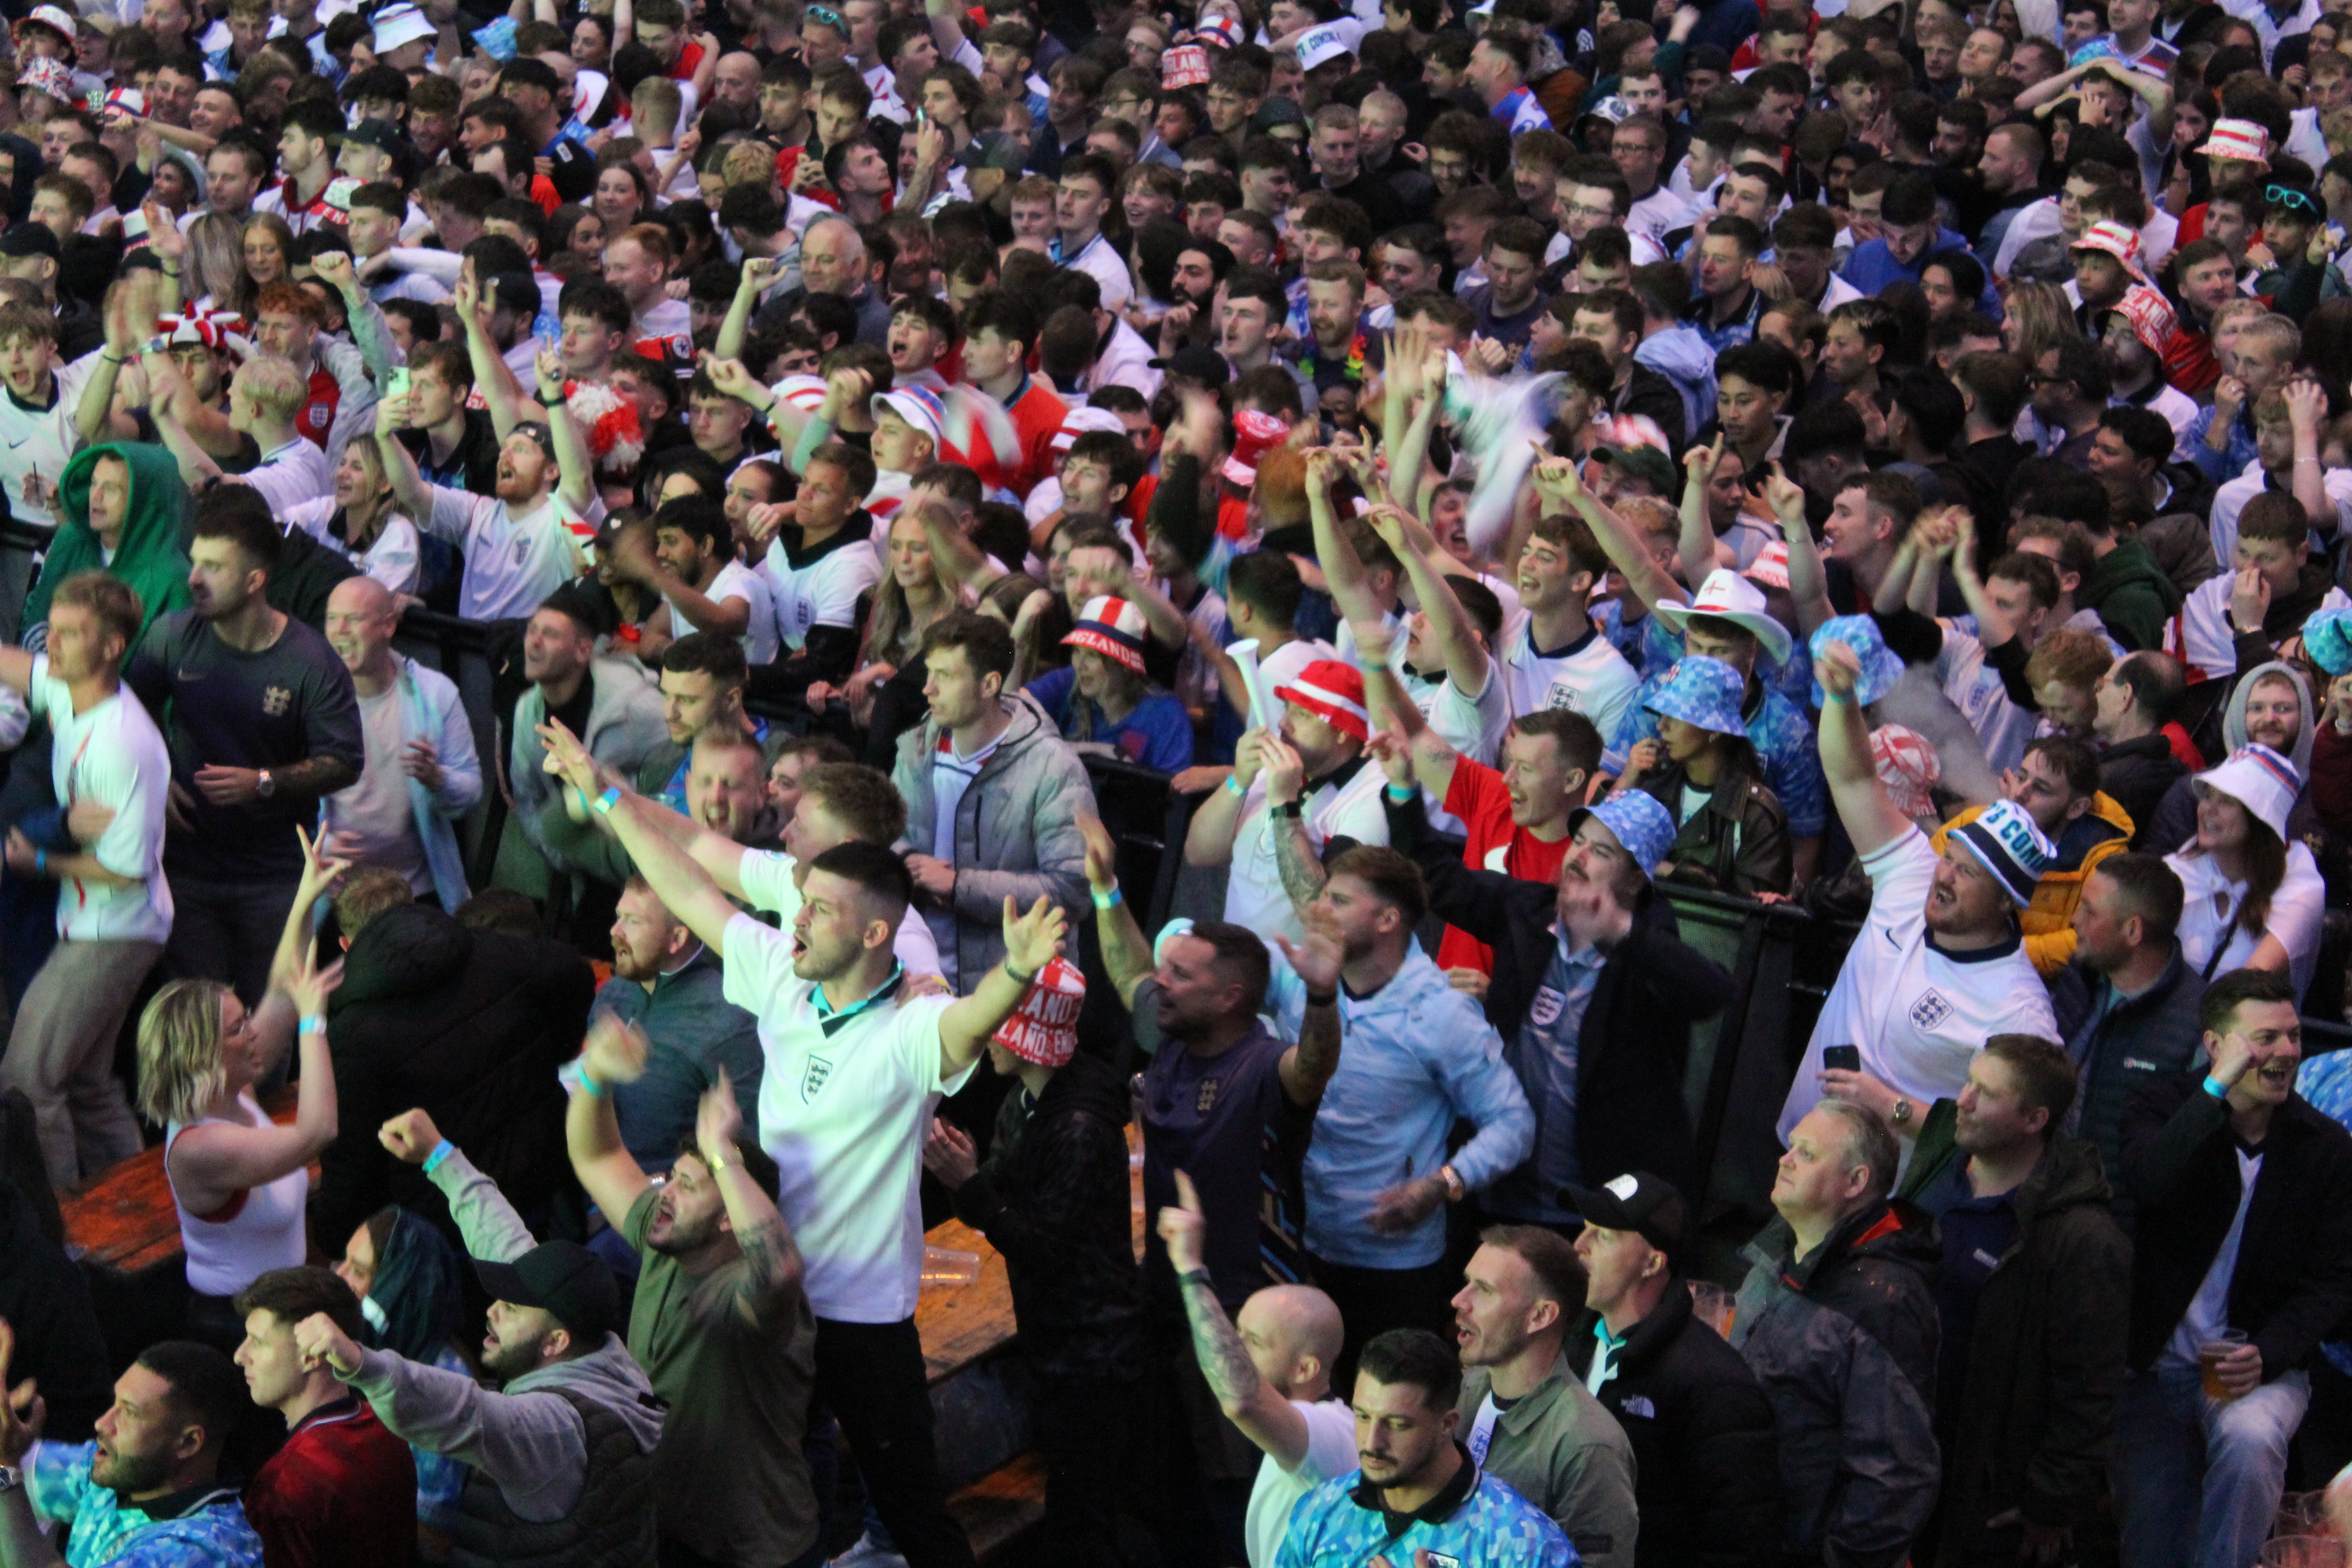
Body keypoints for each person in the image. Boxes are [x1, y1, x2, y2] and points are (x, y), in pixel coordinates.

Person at [539, 717, 1073, 1568]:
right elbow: (690, 889)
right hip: (770, 1292)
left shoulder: (908, 1023)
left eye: (816, 909)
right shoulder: (787, 978)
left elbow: (968, 1032)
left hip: (860, 1313)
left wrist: (1010, 974)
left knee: (913, 1511)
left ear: (872, 935)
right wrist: (605, 796)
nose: (794, 916)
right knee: (779, 1477)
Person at [1083, 815, 1341, 1568]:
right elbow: (1130, 973)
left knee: (1240, 1499)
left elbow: (1313, 1067)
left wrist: (1322, 999)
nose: (1159, 982)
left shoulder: (1264, 1067)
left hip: (1249, 1321)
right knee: (1171, 1492)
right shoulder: (1172, 1038)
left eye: (1181, 975)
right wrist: (1104, 891)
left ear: (1230, 996)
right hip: (1168, 1304)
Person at [1378, 759, 1732, 1214]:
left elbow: (1714, 992)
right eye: (1579, 842)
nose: (1578, 857)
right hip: (1497, 1190)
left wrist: (1621, 932)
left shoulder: (1649, 950)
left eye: (1601, 852)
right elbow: (1439, 879)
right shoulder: (1531, 910)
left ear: (1636, 877)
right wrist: (1405, 792)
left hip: (1592, 1215)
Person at [2114, 967, 2352, 1568]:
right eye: (2264, 1038)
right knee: (2152, 1542)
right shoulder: (2160, 1108)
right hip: (2156, 1364)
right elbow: (2154, 1183)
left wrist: (2268, 1353)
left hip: (2260, 1367)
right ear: (2217, 1045)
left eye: (2294, 1036)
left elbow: (2334, 1281)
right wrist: (2213, 1094)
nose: (2286, 1052)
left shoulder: (2325, 1148)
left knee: (2250, 1445)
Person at [1777, 634, 2058, 1143]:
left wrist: (1891, 1107)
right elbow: (1854, 778)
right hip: (1800, 1154)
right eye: (1950, 858)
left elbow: (2013, 1133)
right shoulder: (1911, 875)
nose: (1944, 876)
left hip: (1887, 1207)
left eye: (1967, 873)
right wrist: (1841, 701)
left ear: (2004, 903)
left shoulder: (2017, 1008)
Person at [1269, 846, 1534, 1382]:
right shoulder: (1298, 976)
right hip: (1297, 1244)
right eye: (1322, 896)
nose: (1321, 910)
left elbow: (1514, 1123)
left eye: (1340, 900)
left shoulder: (1442, 1015)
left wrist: (1442, 1183)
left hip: (1392, 1271)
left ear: (1388, 919)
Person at [921, 956, 1145, 1568]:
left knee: (1083, 1516)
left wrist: (969, 1188)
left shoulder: (1076, 1127)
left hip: (1091, 1354)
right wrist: (965, 1182)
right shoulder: (1026, 1101)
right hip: (1060, 1344)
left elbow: (1043, 1248)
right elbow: (995, 1191)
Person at [290, 1230, 664, 1568]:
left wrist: (360, 1363)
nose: (492, 1311)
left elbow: (471, 1413)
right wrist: (439, 1159)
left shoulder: (554, 1430)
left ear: (555, 1342)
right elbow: (507, 1239)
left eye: (512, 1308)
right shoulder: (608, 1359)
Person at [1896, 1038, 2132, 1568]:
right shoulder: (1940, 1168)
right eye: (1968, 1082)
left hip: (1981, 1485)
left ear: (2034, 1119)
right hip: (1901, 1451)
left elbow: (2090, 1387)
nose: (1964, 1100)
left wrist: (2051, 1501)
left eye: (1986, 1093)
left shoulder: (2082, 1240)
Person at [123, 495, 362, 1008]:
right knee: (197, 1020)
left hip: (273, 878)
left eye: (213, 567)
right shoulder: (172, 637)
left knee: (267, 1023)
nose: (193, 578)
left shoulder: (310, 662)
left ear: (255, 581)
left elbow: (345, 760)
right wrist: (154, 778)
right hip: (186, 870)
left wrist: (264, 782)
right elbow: (123, 714)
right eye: (195, 563)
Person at [309, 861, 596, 1258]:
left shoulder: (350, 1036)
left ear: (345, 946)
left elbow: (352, 1168)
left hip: (444, 1230)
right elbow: (575, 974)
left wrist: (334, 1238)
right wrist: (553, 1053)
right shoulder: (494, 953)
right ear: (413, 908)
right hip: (537, 1182)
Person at [0, 571, 175, 1192]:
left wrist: (39, 863)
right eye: (57, 627)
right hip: (99, 922)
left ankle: (64, 1228)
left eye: (74, 634)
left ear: (111, 647)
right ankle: (136, 1209)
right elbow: (19, 666)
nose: (57, 643)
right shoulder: (71, 690)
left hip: (114, 930)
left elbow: (126, 872)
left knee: (29, 1080)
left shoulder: (122, 743)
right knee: (88, 1085)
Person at [137, 839, 343, 1346]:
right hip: (234, 1328)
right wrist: (315, 1018)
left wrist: (306, 897)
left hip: (276, 1306)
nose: (253, 1032)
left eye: (245, 1019)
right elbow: (319, 1130)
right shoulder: (201, 1147)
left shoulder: (235, 1084)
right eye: (236, 1028)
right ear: (201, 1054)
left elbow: (280, 990)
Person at [1731, 1098, 1942, 1568]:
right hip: (1746, 1533)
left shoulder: (1885, 1301)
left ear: (1855, 1182)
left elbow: (1895, 1473)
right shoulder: (1775, 1248)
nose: (1785, 1160)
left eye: (1807, 1154)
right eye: (1791, 1148)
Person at [1563, 1172, 1784, 1568]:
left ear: (1652, 1262)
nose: (1579, 1246)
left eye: (1605, 1236)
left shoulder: (1715, 1382)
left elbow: (1740, 1539)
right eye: (1585, 1229)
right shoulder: (1572, 1340)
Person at [1156, 1169, 1352, 1568]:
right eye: (1238, 1333)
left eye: (1255, 1343)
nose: (1237, 1350)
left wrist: (1191, 1269)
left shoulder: (1330, 1432)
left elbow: (1242, 1399)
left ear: (1305, 1370)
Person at [892, 611, 1091, 993]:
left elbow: (1072, 891)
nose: (927, 689)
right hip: (921, 978)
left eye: (945, 677)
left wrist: (959, 885)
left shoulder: (1053, 767)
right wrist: (905, 863)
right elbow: (884, 835)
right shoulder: (915, 749)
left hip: (1007, 993)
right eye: (929, 673)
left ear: (989, 685)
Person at [1274, 1328, 1576, 1567]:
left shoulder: (1523, 1545)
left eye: (1397, 1424)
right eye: (1363, 1417)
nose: (1371, 1442)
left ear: (1446, 1424)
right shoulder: (1320, 1511)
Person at [1451, 1227, 1641, 1568]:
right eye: (1468, 1282)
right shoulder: (1466, 1387)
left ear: (1540, 1316)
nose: (1459, 1301)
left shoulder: (1588, 1444)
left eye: (1484, 1290)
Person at [0, 1333, 265, 1567]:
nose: (103, 1423)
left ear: (188, 1443)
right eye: (115, 1403)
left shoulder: (204, 1549)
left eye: (129, 1412)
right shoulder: (121, 1473)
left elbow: (9, 1468)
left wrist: (7, 1469)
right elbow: (20, 1461)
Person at [2051, 853, 2208, 1226]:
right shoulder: (2081, 978)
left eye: (2090, 912)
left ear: (2133, 931)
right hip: (2045, 1206)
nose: (2075, 921)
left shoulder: (2198, 1024)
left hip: (2121, 1234)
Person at [230, 1267, 417, 1568]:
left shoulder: (285, 1485)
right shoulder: (386, 1425)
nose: (240, 1355)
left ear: (310, 1356)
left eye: (258, 1342)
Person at [318, 575, 482, 909]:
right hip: (329, 890)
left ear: (388, 626)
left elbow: (471, 790)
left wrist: (438, 779)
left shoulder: (435, 694)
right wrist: (317, 845)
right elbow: (276, 794)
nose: (340, 630)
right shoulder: (308, 696)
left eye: (355, 619)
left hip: (413, 892)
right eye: (332, 618)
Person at [2164, 745, 2326, 999]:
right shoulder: (2180, 868)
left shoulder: (2300, 886)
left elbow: (2246, 990)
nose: (2208, 809)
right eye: (2208, 795)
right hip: (2173, 1028)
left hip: (2245, 1031)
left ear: (2261, 820)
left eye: (2227, 801)